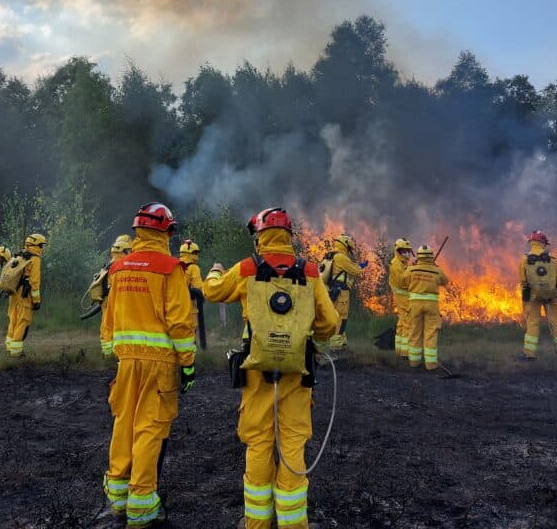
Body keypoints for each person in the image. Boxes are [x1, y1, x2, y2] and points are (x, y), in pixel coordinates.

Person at [203, 207, 339, 529]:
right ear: (289, 236)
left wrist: (212, 272)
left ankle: (257, 523)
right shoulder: (308, 271)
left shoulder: (249, 268)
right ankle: (293, 524)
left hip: (257, 373)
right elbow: (331, 322)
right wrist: (310, 338)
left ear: (259, 237)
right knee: (292, 443)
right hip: (297, 374)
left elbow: (213, 291)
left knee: (259, 442)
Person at [101, 203, 196, 528]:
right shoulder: (171, 268)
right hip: (160, 366)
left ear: (137, 232)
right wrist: (188, 365)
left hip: (126, 363)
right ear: (167, 232)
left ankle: (118, 500)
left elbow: (110, 318)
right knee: (150, 429)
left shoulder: (119, 268)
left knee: (123, 423)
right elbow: (181, 324)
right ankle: (141, 508)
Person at [519, 231, 557, 361]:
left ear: (532, 242)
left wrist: (526, 298)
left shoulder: (524, 259)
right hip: (552, 295)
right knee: (555, 323)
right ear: (543, 243)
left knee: (533, 323)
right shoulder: (552, 259)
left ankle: (530, 355)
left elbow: (523, 281)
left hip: (533, 296)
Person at [405, 245, 449, 370]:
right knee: (430, 334)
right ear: (431, 257)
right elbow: (445, 281)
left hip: (415, 306)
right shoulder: (437, 271)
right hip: (431, 307)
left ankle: (414, 363)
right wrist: (435, 268)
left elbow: (403, 280)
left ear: (418, 256)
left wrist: (412, 266)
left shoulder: (411, 270)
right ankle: (430, 365)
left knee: (414, 333)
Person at [5, 233, 45, 358]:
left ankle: (9, 347)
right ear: (37, 245)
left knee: (13, 319)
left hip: (14, 293)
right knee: (23, 321)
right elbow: (34, 282)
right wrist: (37, 300)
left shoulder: (19, 255)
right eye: (42, 245)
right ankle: (16, 352)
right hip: (25, 294)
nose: (42, 248)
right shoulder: (35, 259)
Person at [323, 234, 366, 350]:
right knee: (341, 317)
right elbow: (355, 271)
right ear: (345, 246)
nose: (349, 251)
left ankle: (342, 342)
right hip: (341, 292)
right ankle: (336, 345)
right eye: (349, 249)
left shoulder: (330, 255)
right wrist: (361, 266)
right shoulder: (341, 257)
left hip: (332, 290)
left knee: (338, 317)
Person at [96, 234, 132, 357]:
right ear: (123, 251)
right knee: (114, 326)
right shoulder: (120, 266)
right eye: (128, 251)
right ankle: (111, 354)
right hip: (114, 300)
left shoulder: (108, 264)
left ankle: (107, 353)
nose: (130, 252)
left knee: (106, 325)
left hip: (106, 301)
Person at [388, 238, 413, 359]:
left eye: (408, 251)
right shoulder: (396, 265)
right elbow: (403, 282)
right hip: (403, 297)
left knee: (402, 322)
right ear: (398, 251)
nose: (406, 253)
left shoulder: (403, 264)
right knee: (408, 322)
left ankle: (400, 351)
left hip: (403, 297)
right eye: (403, 251)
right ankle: (406, 353)